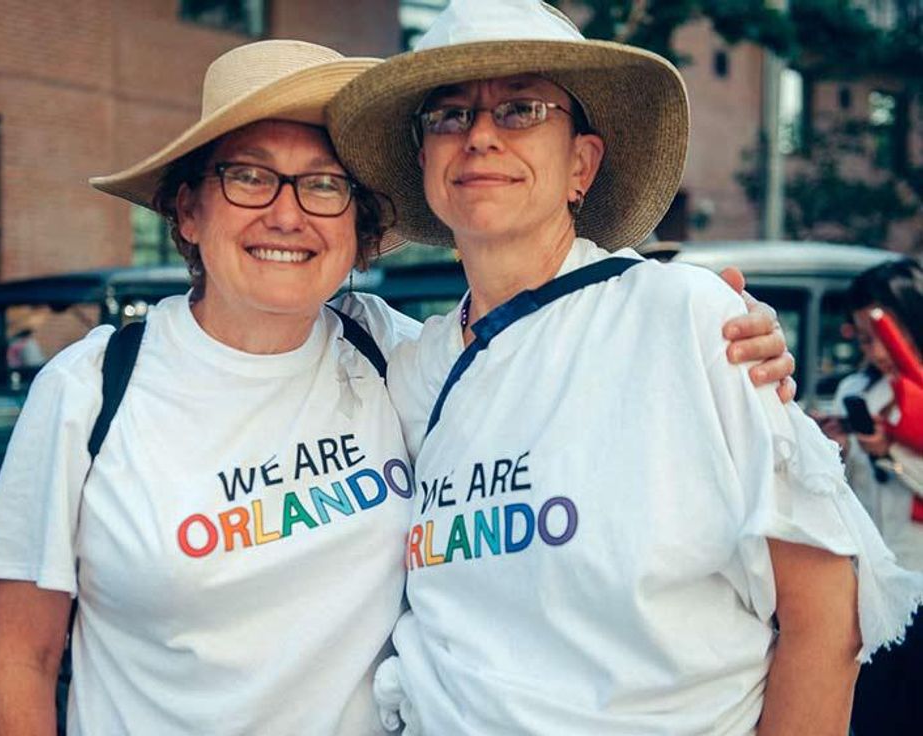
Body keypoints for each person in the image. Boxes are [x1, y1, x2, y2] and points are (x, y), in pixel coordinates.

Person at [0, 35, 789, 736]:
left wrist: (721, 331)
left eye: (324, 184)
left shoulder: (396, 355)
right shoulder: (90, 390)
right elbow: (20, 659)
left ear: (358, 225)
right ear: (187, 210)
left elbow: (550, 354)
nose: (288, 214)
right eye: (249, 176)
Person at [327, 1, 923, 734]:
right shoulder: (410, 371)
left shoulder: (688, 320)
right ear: (424, 162)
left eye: (520, 109)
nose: (479, 136)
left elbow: (826, 611)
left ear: (582, 163)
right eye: (447, 117)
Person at [818, 258, 923, 736]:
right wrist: (834, 452)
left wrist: (893, 455)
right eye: (862, 337)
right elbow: (850, 499)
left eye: (883, 330)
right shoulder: (854, 391)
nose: (875, 349)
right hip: (875, 588)